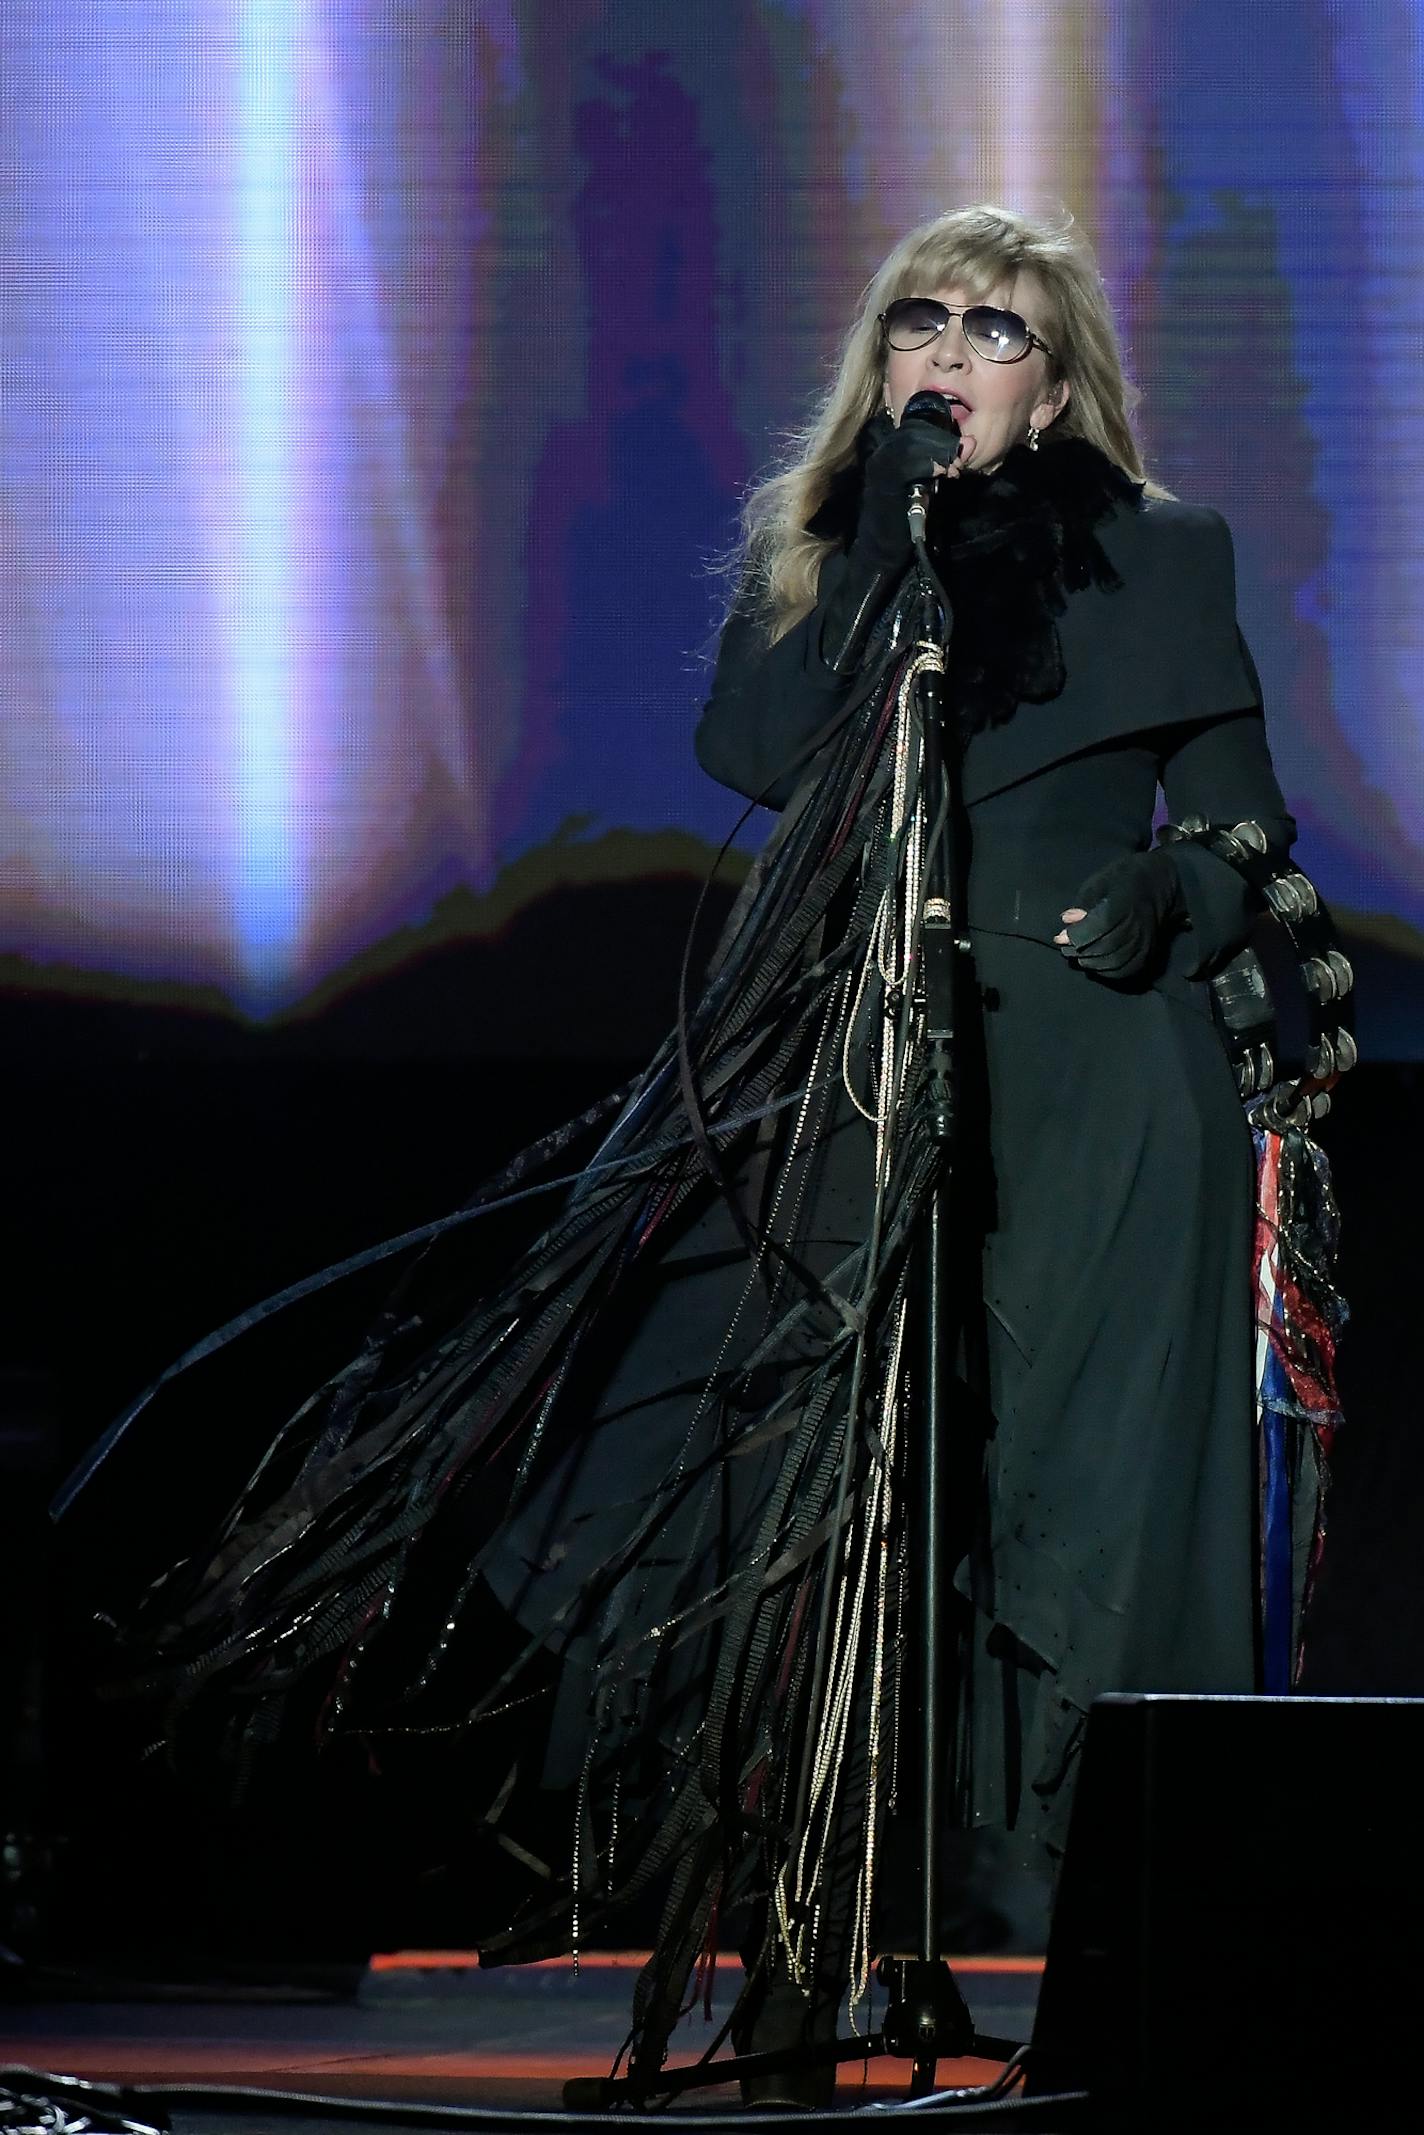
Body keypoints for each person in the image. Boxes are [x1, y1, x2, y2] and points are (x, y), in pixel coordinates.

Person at [68, 203, 1326, 2103]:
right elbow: (752, 747)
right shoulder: (829, 556)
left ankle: (1105, 1965)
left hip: (1087, 1073)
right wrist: (885, 554)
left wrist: (1166, 891)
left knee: (1067, 1497)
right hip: (844, 1065)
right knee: (802, 1469)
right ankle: (808, 1943)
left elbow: (1242, 827)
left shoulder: (1165, 554)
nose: (951, 353)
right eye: (921, 322)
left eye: (996, 331)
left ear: (1057, 385)